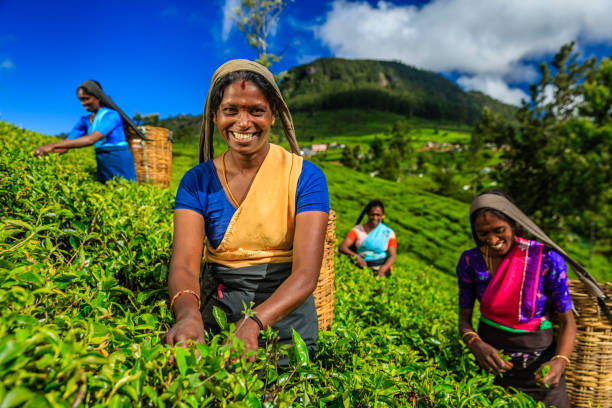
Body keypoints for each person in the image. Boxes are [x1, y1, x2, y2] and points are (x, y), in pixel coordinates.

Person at [163, 60, 329, 364]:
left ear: (273, 115)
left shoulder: (305, 177)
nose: (243, 123)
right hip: (221, 308)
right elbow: (185, 264)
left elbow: (306, 273)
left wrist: (254, 322)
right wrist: (189, 315)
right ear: (214, 116)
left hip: (286, 315)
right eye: (230, 111)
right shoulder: (196, 182)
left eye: (256, 110)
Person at [457, 191, 576, 407]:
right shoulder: (470, 261)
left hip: (540, 372)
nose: (492, 240)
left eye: (499, 231)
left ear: (514, 224)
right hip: (492, 368)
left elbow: (568, 320)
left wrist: (560, 361)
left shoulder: (546, 259)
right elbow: (464, 320)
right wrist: (476, 345)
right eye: (482, 233)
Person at [34, 80, 141, 183]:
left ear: (98, 97)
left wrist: (52, 145)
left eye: (86, 99)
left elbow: (91, 139)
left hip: (118, 159)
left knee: (123, 189)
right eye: (80, 100)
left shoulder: (111, 115)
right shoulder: (84, 121)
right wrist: (46, 152)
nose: (83, 103)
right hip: (102, 160)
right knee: (107, 191)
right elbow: (65, 145)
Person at [338, 199, 396, 277]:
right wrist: (356, 257)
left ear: (383, 215)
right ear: (367, 214)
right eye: (372, 214)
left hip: (381, 267)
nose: (375, 218)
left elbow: (392, 256)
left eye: (378, 215)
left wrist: (383, 269)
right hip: (360, 266)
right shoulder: (357, 230)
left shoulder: (388, 233)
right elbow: (342, 246)